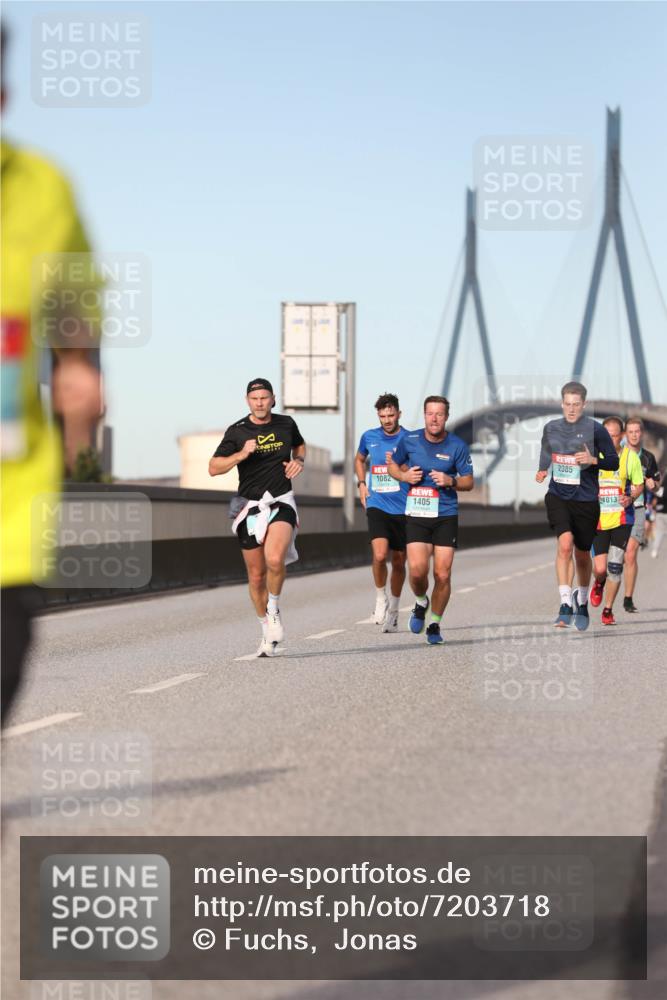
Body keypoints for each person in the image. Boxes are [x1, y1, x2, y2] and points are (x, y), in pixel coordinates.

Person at [1, 22, 102, 722]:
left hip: (8, 479)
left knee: (8, 646)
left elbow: (74, 303)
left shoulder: (42, 188)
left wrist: (78, 369)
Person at [209, 379, 305, 657]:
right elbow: (214, 468)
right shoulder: (237, 431)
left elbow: (300, 446)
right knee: (255, 575)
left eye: (265, 397)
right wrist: (241, 454)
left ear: (273, 399)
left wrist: (299, 461)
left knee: (275, 559)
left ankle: (273, 609)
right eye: (255, 398)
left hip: (280, 501)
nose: (260, 402)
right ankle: (266, 629)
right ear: (248, 401)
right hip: (248, 506)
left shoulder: (286, 424)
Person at [387, 395, 473, 645]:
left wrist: (451, 481)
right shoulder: (410, 440)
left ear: (446, 417)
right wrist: (404, 477)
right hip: (417, 514)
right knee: (416, 571)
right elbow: (393, 466)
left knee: (443, 574)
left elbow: (469, 481)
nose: (434, 419)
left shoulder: (457, 446)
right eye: (430, 414)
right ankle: (421, 601)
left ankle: (434, 622)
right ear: (424, 415)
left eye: (439, 414)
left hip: (445, 514)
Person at [535, 381, 618, 630]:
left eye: (576, 405)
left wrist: (593, 459)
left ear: (584, 405)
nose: (571, 409)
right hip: (558, 496)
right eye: (567, 404)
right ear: (562, 404)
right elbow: (546, 453)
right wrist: (541, 470)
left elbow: (613, 462)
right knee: (564, 545)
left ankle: (580, 601)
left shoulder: (596, 431)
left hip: (586, 500)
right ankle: (564, 604)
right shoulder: (551, 428)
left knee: (582, 553)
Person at [355, 393, 409, 632]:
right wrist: (361, 483)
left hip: (404, 507)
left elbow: (420, 468)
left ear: (399, 414)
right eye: (382, 416)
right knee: (379, 555)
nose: (387, 420)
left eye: (390, 415)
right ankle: (380, 598)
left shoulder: (410, 439)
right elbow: (359, 459)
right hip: (377, 503)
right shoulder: (369, 436)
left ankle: (395, 612)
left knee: (398, 561)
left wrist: (399, 466)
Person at [588, 417, 644, 625]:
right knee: (601, 569)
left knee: (614, 567)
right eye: (606, 435)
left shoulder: (631, 458)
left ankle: (608, 609)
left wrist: (631, 497)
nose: (610, 439)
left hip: (623, 519)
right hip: (599, 520)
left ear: (621, 436)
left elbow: (638, 485)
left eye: (614, 435)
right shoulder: (594, 456)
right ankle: (599, 583)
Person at [622, 416, 660, 612]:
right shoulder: (617, 455)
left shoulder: (648, 458)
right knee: (613, 558)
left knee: (630, 554)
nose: (634, 435)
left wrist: (653, 485)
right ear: (625, 434)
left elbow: (656, 484)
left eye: (637, 431)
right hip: (614, 509)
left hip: (637, 508)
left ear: (641, 433)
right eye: (631, 432)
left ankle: (628, 598)